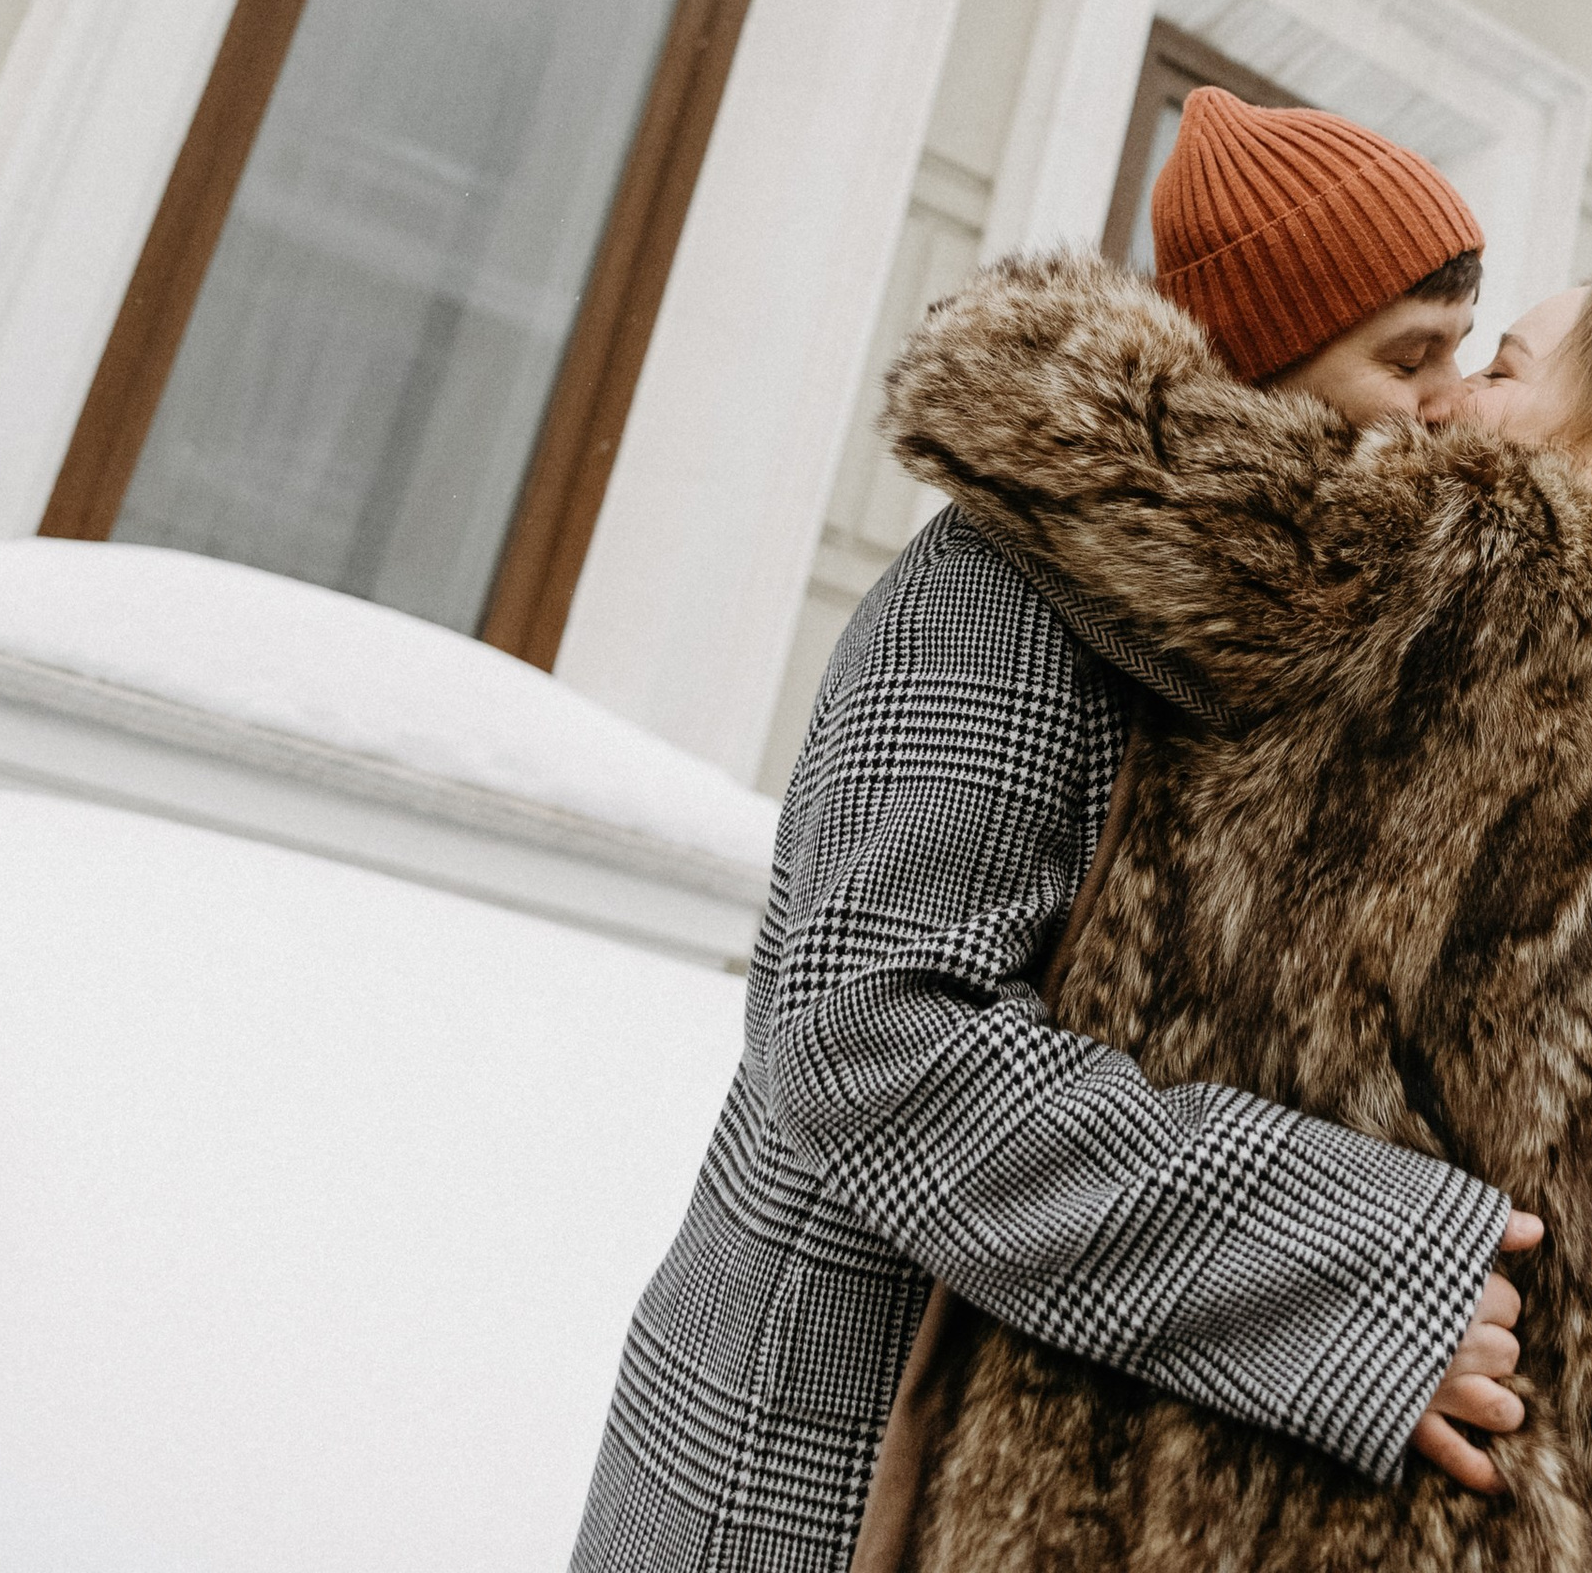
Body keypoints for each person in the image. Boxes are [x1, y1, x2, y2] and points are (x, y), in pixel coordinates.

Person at [569, 93, 1540, 1573]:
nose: (1447, 403)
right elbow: (867, 1035)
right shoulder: (1008, 591)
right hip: (816, 1465)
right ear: (1263, 362)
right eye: (1407, 358)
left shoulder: (1250, 614)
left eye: (1463, 355)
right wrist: (1349, 1273)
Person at [871, 214, 1592, 1573]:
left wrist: (1017, 335)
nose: (1451, 399)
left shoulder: (1471, 583)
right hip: (1541, 1500)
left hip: (1277, 1477)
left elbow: (1107, 449)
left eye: (1499, 368)